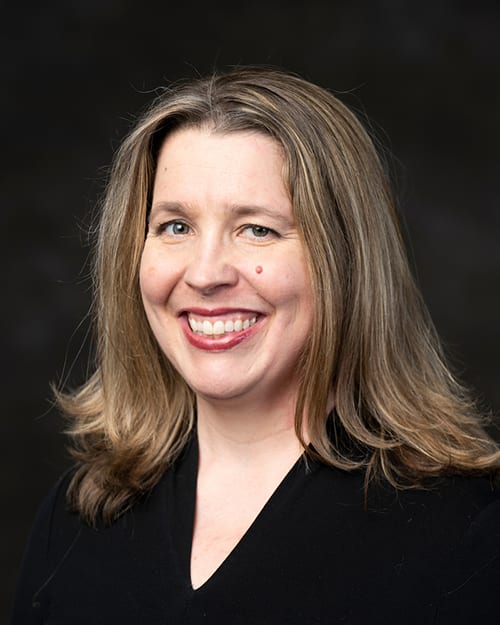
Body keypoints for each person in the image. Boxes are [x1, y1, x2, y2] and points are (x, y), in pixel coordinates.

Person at [11, 67, 500, 625]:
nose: (205, 273)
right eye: (175, 226)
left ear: (346, 262)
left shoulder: (468, 537)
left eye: (257, 229)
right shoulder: (81, 514)